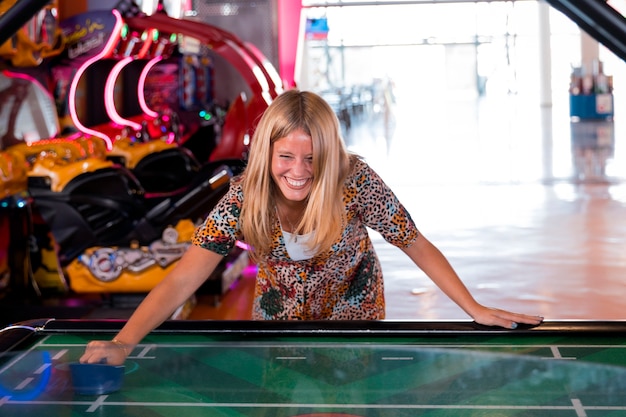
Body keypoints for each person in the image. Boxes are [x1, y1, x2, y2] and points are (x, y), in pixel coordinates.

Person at [80, 89, 543, 365]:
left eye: (312, 158)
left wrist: (473, 307)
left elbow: (413, 242)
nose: (299, 171)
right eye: (286, 157)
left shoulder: (354, 179)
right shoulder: (245, 194)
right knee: (285, 403)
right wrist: (123, 342)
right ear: (267, 154)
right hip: (277, 318)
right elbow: (187, 273)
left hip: (353, 314)